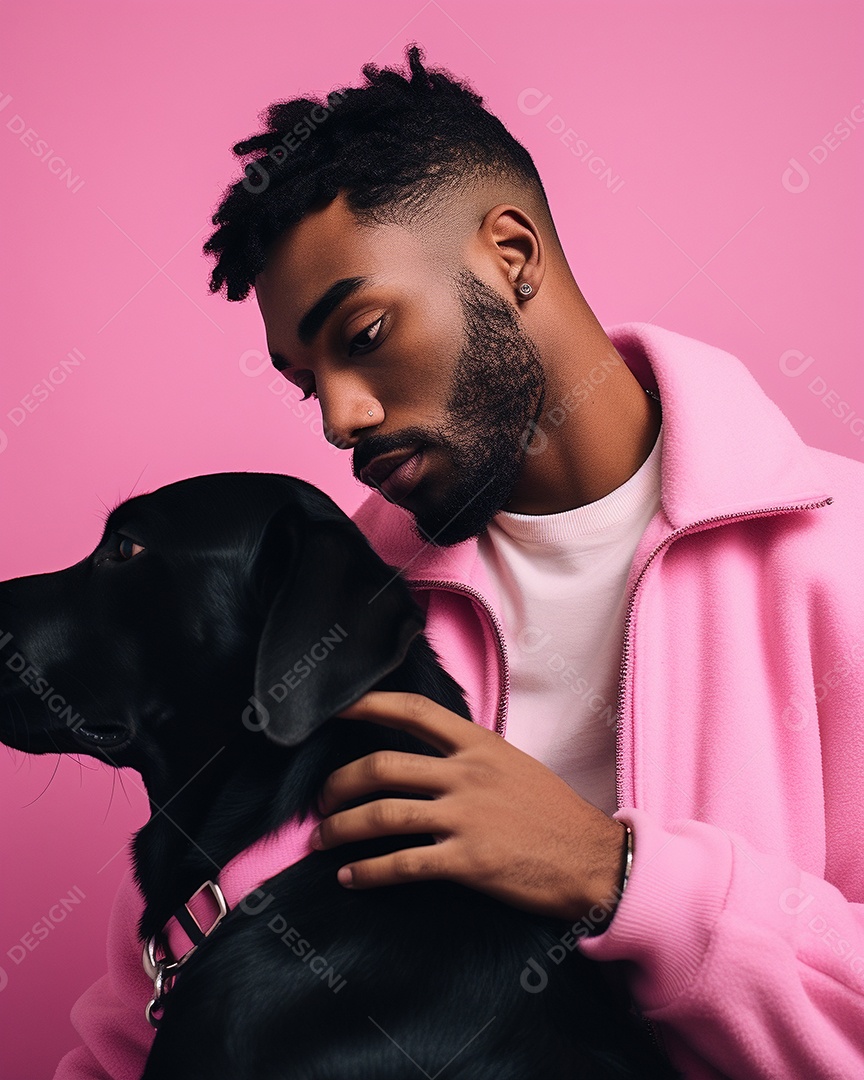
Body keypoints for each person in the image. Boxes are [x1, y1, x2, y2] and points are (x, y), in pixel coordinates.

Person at [55, 44, 864, 1080]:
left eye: (366, 331)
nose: (343, 418)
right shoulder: (318, 615)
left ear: (511, 253)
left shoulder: (838, 559)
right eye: (309, 383)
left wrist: (616, 873)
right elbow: (136, 1024)